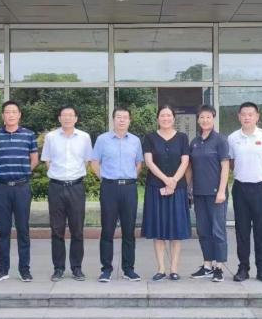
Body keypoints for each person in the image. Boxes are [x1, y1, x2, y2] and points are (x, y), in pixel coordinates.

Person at [227, 101, 262, 283]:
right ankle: (243, 268)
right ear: (239, 117)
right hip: (240, 188)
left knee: (260, 230)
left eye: (251, 114)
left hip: (260, 188)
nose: (247, 117)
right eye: (243, 114)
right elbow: (231, 163)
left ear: (257, 116)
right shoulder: (233, 138)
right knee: (241, 230)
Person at [0, 100, 38, 282]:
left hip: (22, 187)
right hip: (2, 187)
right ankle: (2, 269)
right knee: (4, 230)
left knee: (23, 230)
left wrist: (24, 172)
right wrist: (0, 172)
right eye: (7, 112)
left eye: (14, 111)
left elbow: (34, 159)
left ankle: (25, 269)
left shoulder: (29, 135)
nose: (11, 115)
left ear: (19, 114)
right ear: (3, 115)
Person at [90, 107, 144, 283]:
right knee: (107, 230)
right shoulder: (102, 139)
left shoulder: (135, 141)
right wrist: (105, 178)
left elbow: (139, 163)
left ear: (129, 120)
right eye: (118, 117)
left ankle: (129, 269)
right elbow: (94, 162)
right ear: (113, 120)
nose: (122, 120)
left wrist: (130, 177)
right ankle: (106, 269)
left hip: (129, 188)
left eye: (125, 117)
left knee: (129, 230)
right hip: (109, 188)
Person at [40, 105, 92, 282]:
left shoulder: (84, 137)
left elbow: (87, 161)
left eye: (71, 115)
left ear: (76, 118)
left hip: (76, 187)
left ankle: (77, 268)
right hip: (56, 187)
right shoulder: (51, 137)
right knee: (57, 230)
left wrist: (73, 177)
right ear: (59, 118)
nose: (68, 118)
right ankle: (58, 268)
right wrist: (59, 176)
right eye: (64, 115)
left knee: (77, 229)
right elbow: (47, 161)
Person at [141, 105, 191, 281]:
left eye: (169, 115)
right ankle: (161, 268)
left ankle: (174, 269)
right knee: (159, 228)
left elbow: (185, 161)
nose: (166, 118)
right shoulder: (150, 137)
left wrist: (174, 181)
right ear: (158, 118)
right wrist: (166, 180)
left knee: (176, 229)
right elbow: (149, 162)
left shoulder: (182, 137)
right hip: (156, 187)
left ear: (174, 118)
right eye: (162, 115)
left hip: (178, 189)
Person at [186, 104, 230, 282]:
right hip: (199, 193)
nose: (205, 120)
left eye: (208, 117)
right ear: (198, 120)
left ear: (213, 119)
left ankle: (219, 267)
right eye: (202, 117)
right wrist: (188, 188)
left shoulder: (220, 140)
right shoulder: (194, 142)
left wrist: (221, 191)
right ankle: (207, 266)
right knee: (203, 230)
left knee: (218, 231)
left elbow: (225, 167)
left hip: (216, 194)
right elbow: (190, 167)